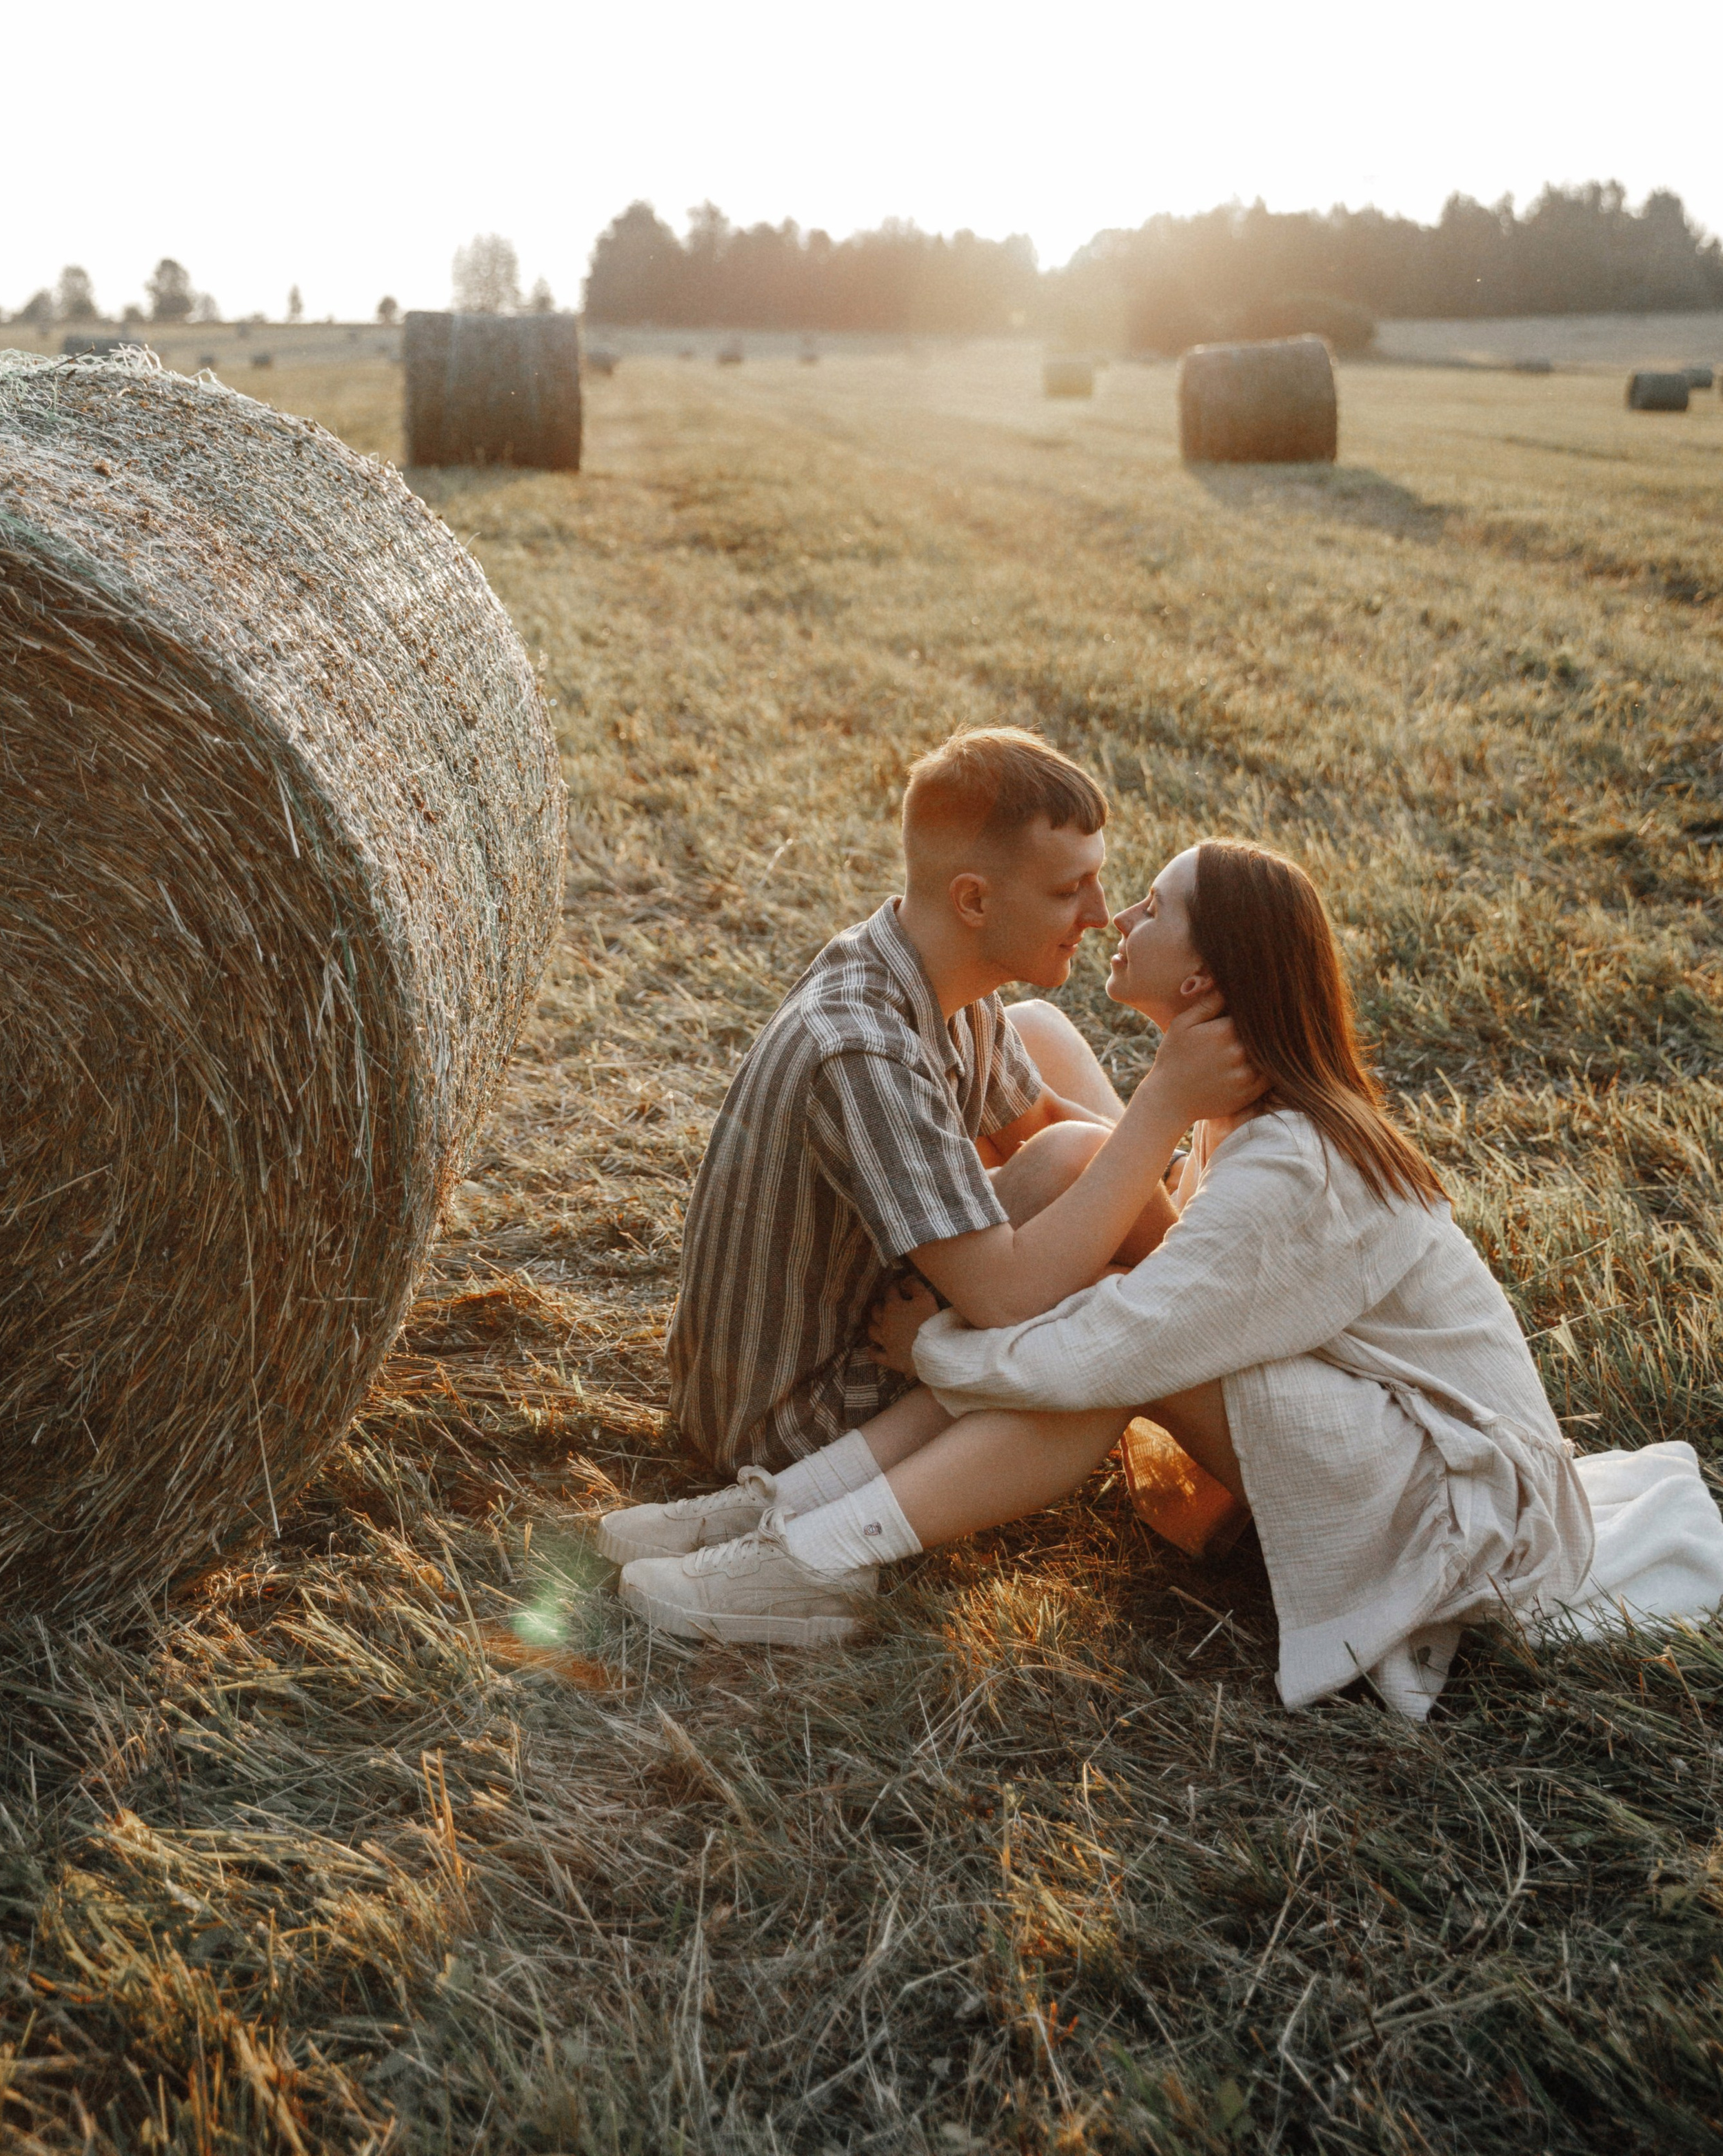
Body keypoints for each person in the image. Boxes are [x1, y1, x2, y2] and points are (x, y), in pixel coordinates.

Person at [616, 840, 1609, 1722]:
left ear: (1207, 979)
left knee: (1104, 1347)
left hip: (1463, 1509)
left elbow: (1124, 1343)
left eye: (1152, 907)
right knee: (1098, 1266)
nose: (1117, 918)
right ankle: (783, 1512)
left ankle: (824, 1557)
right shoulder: (1252, 1119)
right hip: (1392, 1439)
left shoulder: (1298, 1163)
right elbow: (1153, 1252)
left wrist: (931, 1344)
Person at [597, 728, 1258, 1571]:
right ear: (975, 901)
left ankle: (1228, 1332)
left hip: (845, 1324)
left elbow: (1044, 1128)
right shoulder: (863, 1048)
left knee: (1063, 1106)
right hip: (786, 1416)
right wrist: (1165, 1104)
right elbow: (1012, 1296)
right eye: (1069, 890)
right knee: (1104, 1312)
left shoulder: (936, 970)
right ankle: (1256, 1427)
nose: (1099, 913)